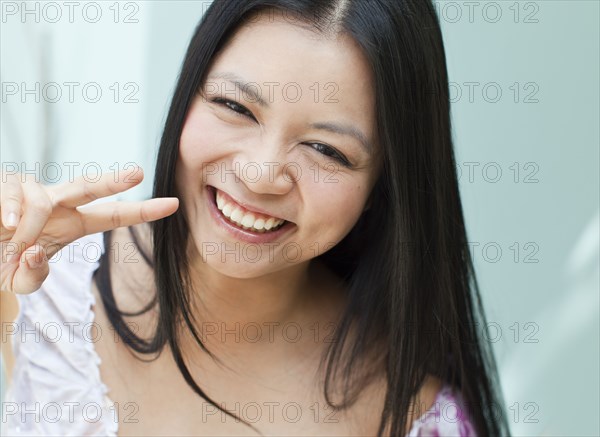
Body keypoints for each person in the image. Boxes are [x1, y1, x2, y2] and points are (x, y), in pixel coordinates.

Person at [0, 0, 511, 435]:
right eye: (235, 106)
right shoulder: (40, 285)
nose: (261, 173)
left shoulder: (417, 418)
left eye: (325, 150)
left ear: (384, 185)